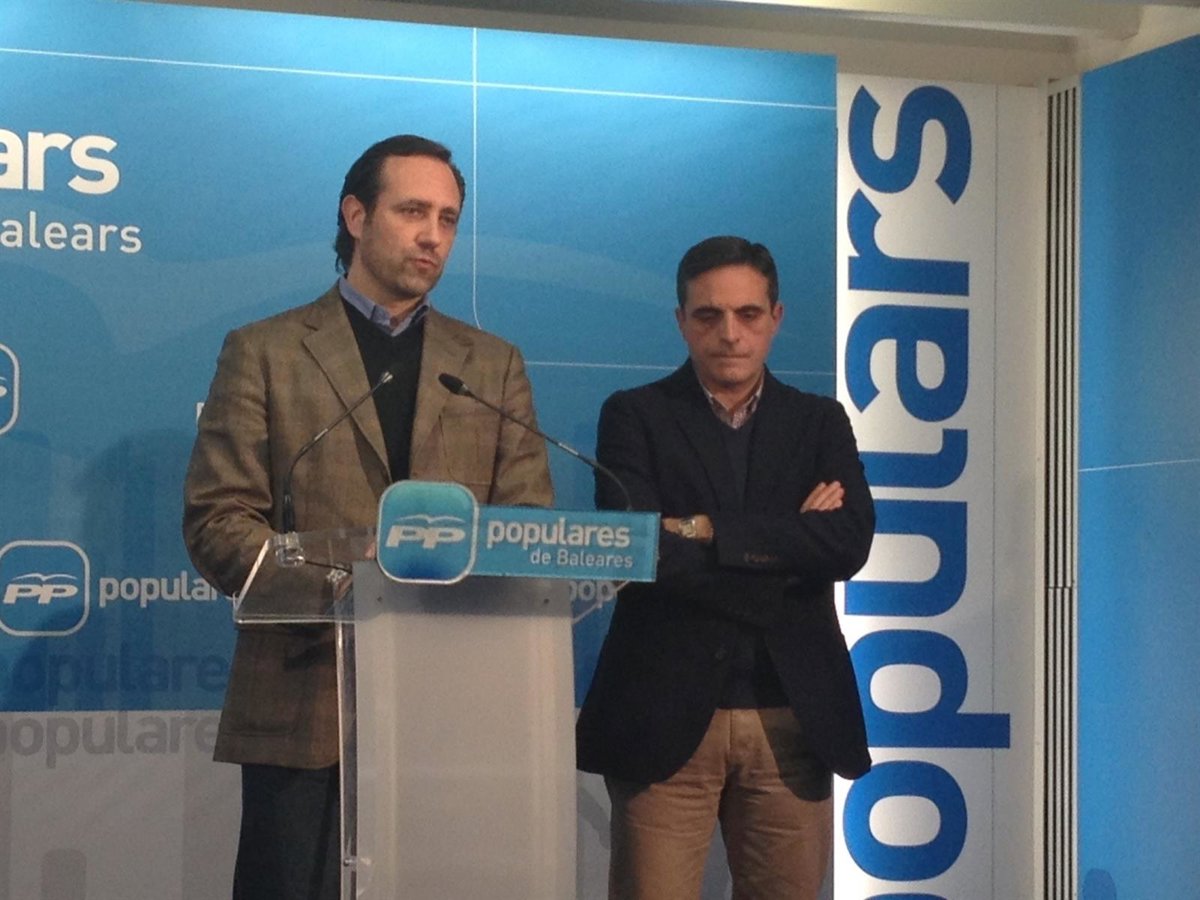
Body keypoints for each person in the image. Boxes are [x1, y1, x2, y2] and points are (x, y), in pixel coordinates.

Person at [183, 134, 553, 900]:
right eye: (413, 211)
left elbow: (525, 531)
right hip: (305, 703)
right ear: (356, 216)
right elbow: (220, 522)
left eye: (448, 219)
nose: (433, 236)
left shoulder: (491, 366)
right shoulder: (266, 352)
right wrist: (353, 592)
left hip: (451, 718)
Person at [576, 235, 874, 900]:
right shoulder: (634, 415)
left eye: (748, 314)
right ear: (681, 320)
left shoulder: (820, 422)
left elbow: (847, 545)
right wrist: (789, 540)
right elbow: (642, 551)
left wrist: (704, 528)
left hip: (792, 718)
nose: (730, 333)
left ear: (776, 318)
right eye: (709, 315)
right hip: (662, 715)